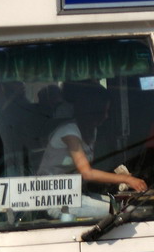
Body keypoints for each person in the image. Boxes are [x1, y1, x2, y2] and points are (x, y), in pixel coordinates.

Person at [37, 81, 147, 218]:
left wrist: (118, 179)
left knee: (131, 206)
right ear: (88, 110)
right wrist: (125, 179)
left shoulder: (92, 131)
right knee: (130, 211)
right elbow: (87, 173)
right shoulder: (69, 132)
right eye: (102, 111)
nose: (106, 116)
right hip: (56, 200)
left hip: (75, 195)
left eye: (107, 111)